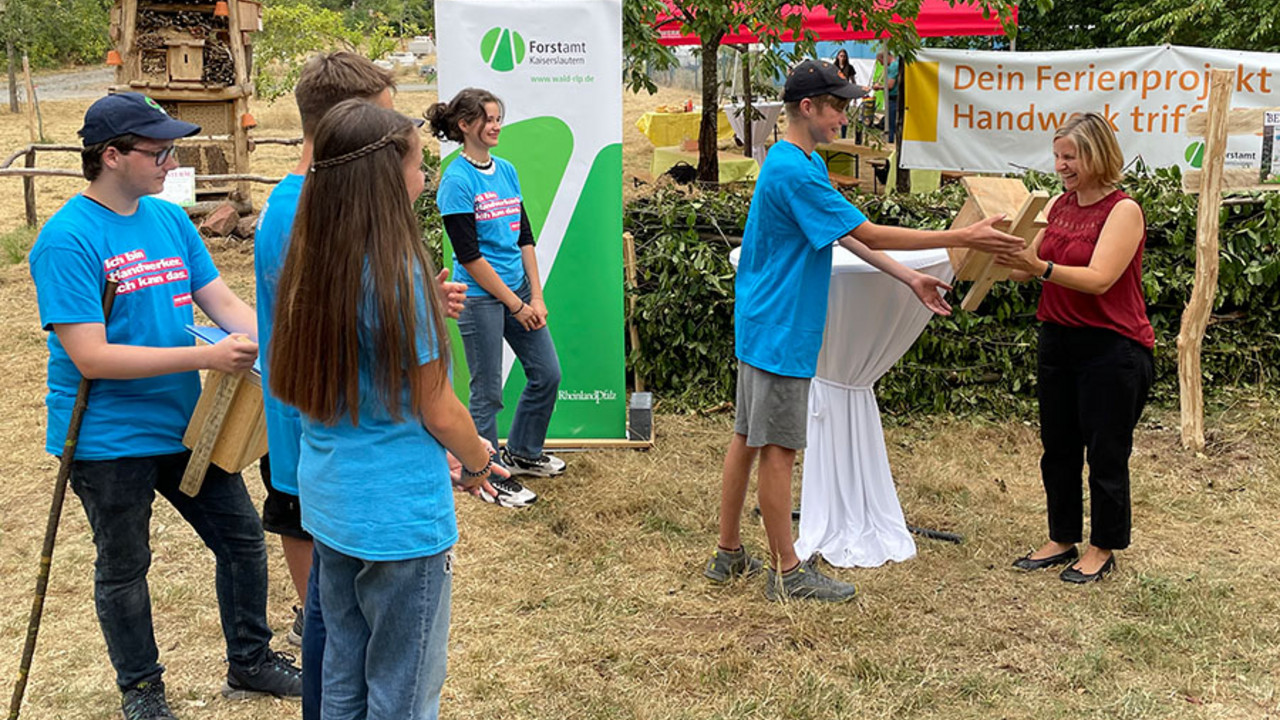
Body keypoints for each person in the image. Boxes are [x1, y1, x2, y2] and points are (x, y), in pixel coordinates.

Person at [704, 60, 1024, 602]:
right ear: (808, 107)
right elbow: (868, 229)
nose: (844, 118)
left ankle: (728, 553)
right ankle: (786, 571)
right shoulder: (797, 171)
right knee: (777, 446)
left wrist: (908, 280)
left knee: (748, 437)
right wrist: (959, 235)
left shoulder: (790, 159)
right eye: (838, 107)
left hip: (763, 319)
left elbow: (842, 236)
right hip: (782, 325)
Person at [27, 92, 301, 720]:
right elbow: (91, 356)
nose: (171, 161)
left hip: (186, 426)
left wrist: (287, 344)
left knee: (240, 541)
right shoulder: (66, 240)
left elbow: (224, 305)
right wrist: (205, 360)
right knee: (124, 566)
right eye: (159, 151)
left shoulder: (169, 220)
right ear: (112, 155)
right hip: (106, 437)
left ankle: (251, 662)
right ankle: (143, 690)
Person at [254, 50, 466, 719]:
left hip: (333, 487)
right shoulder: (376, 254)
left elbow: (346, 332)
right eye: (414, 156)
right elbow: (435, 402)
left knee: (343, 669)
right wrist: (484, 461)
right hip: (390, 507)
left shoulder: (317, 231)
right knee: (397, 686)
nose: (425, 170)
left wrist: (415, 307)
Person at [995, 112, 1153, 584]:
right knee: (1058, 447)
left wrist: (1038, 267)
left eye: (1071, 156)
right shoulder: (1061, 205)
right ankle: (1062, 537)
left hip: (1112, 346)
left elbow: (1100, 279)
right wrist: (995, 250)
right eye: (1058, 155)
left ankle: (1103, 547)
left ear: (1098, 155)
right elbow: (1030, 263)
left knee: (1106, 452)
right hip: (1058, 338)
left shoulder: (1123, 210)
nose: (1061, 165)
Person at [427, 88, 565, 498]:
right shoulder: (455, 180)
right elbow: (468, 257)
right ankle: (489, 474)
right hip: (481, 298)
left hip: (519, 292)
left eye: (498, 117)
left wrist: (535, 298)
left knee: (547, 373)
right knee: (487, 393)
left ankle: (524, 451)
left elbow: (525, 237)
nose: (496, 125)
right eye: (488, 119)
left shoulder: (506, 169)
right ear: (465, 125)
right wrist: (516, 304)